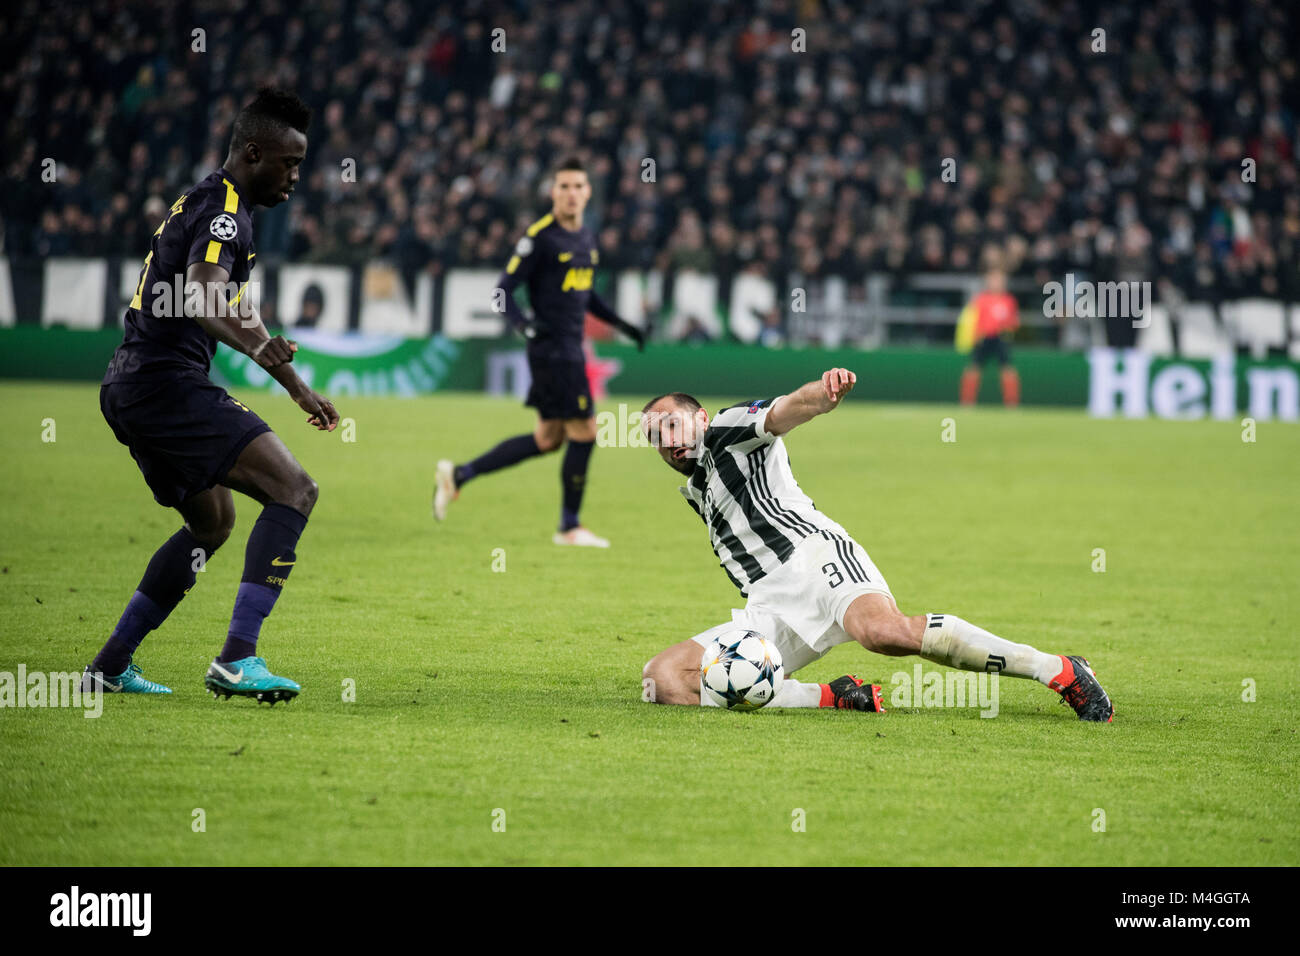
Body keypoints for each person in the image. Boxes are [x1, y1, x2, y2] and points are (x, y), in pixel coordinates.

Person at [639, 369, 1113, 720]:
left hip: (814, 558)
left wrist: (820, 397)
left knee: (884, 634)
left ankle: (1058, 669)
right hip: (770, 603)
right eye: (657, 439)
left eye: (674, 426)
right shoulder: (697, 486)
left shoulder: (727, 429)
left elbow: (785, 410)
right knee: (663, 679)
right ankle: (835, 695)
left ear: (699, 417)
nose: (669, 442)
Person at [88, 88, 339, 703]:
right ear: (253, 153)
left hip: (131, 384)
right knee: (295, 489)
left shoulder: (214, 204)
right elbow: (202, 298)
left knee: (212, 522)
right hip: (162, 384)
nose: (296, 177)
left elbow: (236, 309)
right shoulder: (224, 209)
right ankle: (237, 658)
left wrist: (297, 389)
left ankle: (110, 664)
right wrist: (259, 353)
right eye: (289, 162)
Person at [434, 157, 645, 547]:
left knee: (548, 439)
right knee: (586, 431)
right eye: (563, 186)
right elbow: (502, 290)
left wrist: (622, 325)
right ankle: (569, 527)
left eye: (577, 186)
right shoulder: (540, 237)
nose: (570, 193)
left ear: (588, 192)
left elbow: (587, 294)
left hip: (570, 348)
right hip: (553, 351)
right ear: (553, 192)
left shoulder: (585, 237)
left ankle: (459, 474)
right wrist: (523, 324)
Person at [960, 268, 1021, 406]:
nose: (996, 283)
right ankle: (967, 402)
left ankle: (1012, 403)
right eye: (993, 280)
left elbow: (1014, 321)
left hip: (1000, 339)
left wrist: (1008, 328)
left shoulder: (1009, 300)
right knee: (973, 369)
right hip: (983, 338)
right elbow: (972, 320)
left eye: (999, 280)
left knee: (1008, 370)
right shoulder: (981, 300)